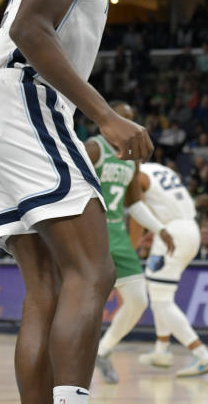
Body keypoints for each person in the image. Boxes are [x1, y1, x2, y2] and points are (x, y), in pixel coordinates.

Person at [0, 0, 153, 404]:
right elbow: (28, 31)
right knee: (93, 268)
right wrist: (106, 117)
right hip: (22, 99)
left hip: (9, 105)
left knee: (47, 288)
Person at [88, 101, 176, 384]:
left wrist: (160, 229)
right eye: (123, 117)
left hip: (118, 234)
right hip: (91, 234)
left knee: (138, 300)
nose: (129, 123)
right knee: (87, 302)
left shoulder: (132, 158)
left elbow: (134, 202)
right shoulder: (93, 147)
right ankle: (73, 359)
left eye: (131, 118)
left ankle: (103, 350)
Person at [135, 162, 208, 377]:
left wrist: (134, 242)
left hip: (172, 233)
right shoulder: (160, 169)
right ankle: (161, 349)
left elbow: (138, 208)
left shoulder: (138, 176)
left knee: (161, 301)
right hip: (190, 229)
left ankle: (203, 355)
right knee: (159, 295)